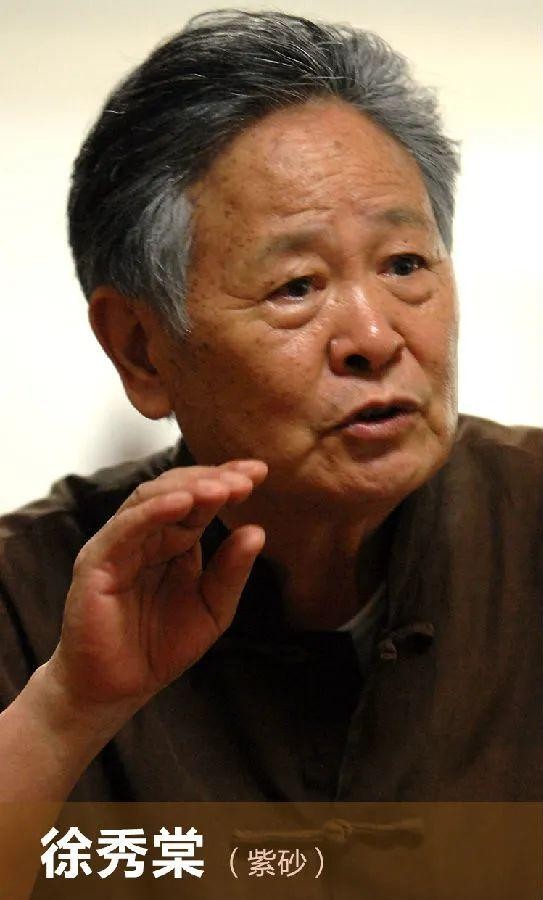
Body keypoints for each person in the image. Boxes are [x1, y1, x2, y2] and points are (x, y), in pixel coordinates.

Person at [0, 9, 541, 803]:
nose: (372, 337)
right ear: (141, 350)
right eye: (296, 287)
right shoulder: (25, 599)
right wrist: (63, 715)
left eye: (403, 264)